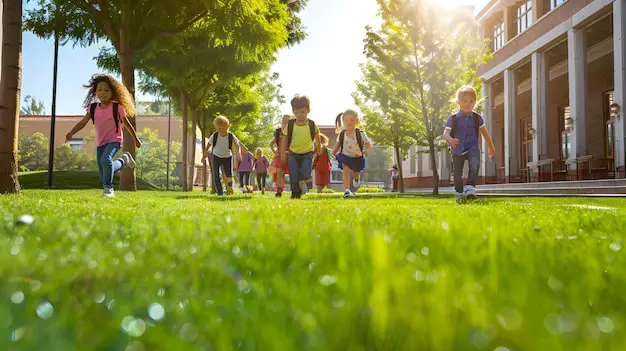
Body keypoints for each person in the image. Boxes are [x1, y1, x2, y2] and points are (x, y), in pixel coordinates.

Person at [65, 74, 142, 198]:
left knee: (105, 160)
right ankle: (124, 160)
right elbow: (83, 122)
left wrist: (136, 139)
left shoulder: (117, 107)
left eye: (107, 90)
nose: (103, 93)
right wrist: (71, 132)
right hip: (100, 142)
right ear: (95, 91)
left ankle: (108, 189)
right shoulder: (93, 108)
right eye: (99, 90)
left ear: (113, 92)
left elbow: (127, 125)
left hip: (114, 140)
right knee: (105, 172)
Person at [443, 85, 496, 202]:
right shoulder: (452, 118)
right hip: (457, 149)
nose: (468, 104)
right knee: (457, 174)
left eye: (471, 101)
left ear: (475, 102)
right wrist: (450, 140)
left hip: (472, 148)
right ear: (458, 102)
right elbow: (445, 134)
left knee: (474, 164)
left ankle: (470, 188)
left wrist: (491, 147)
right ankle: (459, 192)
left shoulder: (478, 118)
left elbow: (485, 134)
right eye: (465, 101)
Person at [281, 95, 322, 199]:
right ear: (293, 111)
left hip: (307, 154)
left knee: (305, 174)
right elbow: (284, 140)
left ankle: (300, 181)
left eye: (303, 112)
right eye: (296, 112)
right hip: (293, 153)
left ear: (308, 110)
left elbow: (317, 137)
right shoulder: (290, 124)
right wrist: (282, 154)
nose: (299, 115)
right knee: (293, 176)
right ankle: (295, 193)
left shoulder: (312, 124)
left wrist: (319, 150)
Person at [331, 109, 372, 198]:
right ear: (343, 122)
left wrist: (367, 151)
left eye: (352, 120)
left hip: (357, 157)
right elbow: (337, 145)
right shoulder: (342, 134)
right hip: (345, 156)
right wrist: (333, 153)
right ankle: (347, 190)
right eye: (346, 120)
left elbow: (369, 144)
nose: (349, 122)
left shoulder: (360, 133)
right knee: (345, 170)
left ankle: (356, 178)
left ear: (356, 121)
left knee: (355, 172)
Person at [203, 115, 240, 196]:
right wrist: (204, 155)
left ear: (228, 126)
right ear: (216, 128)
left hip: (227, 157)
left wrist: (237, 153)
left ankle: (229, 189)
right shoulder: (215, 135)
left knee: (228, 175)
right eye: (219, 129)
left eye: (223, 128)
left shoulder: (231, 136)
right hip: (216, 156)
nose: (221, 131)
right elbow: (208, 145)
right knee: (216, 175)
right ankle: (220, 193)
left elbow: (237, 145)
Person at [270, 114, 292, 197]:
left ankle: (295, 188)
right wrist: (275, 152)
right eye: (283, 121)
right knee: (279, 172)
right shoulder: (278, 133)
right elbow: (271, 144)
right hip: (279, 156)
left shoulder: (292, 132)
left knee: (292, 173)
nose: (285, 124)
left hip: (289, 156)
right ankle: (279, 190)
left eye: (287, 122)